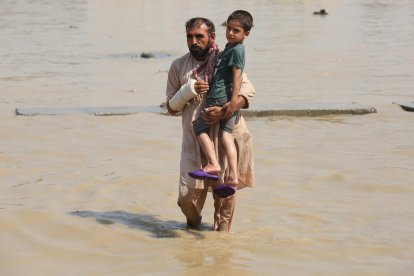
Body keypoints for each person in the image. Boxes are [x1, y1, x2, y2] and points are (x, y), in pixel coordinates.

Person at [165, 17, 255, 232]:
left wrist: (223, 111)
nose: (194, 41)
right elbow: (170, 107)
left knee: (225, 205)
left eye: (199, 36)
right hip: (194, 140)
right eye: (190, 37)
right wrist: (188, 90)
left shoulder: (225, 59)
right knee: (186, 199)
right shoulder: (178, 66)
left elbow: (247, 91)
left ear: (212, 37)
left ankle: (221, 253)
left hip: (225, 140)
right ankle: (193, 233)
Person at [189, 10, 253, 199]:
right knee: (226, 138)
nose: (231, 33)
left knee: (199, 127)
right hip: (225, 99)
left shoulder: (237, 50)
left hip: (219, 97)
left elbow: (237, 76)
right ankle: (232, 177)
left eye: (236, 31)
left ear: (246, 34)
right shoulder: (229, 49)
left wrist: (233, 101)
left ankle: (213, 164)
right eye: (229, 29)